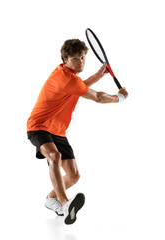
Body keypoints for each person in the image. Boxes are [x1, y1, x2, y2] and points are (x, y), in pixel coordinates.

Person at [27, 39, 128, 225]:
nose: (80, 62)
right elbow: (96, 97)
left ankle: (51, 200)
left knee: (73, 176)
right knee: (54, 156)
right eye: (75, 59)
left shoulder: (68, 75)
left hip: (58, 131)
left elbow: (78, 87)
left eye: (83, 57)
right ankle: (65, 204)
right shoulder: (65, 78)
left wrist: (98, 75)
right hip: (39, 126)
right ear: (65, 59)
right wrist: (119, 97)